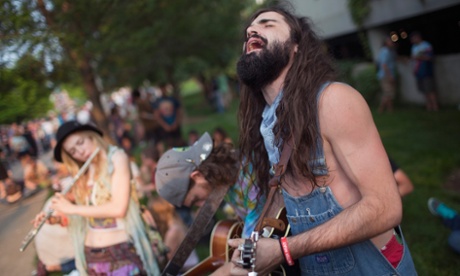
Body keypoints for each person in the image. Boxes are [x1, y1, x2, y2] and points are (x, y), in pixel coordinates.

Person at [233, 5, 417, 275]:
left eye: (268, 23)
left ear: (296, 45)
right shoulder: (269, 125)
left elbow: (385, 208)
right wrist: (255, 245)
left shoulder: (332, 102)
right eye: (249, 29)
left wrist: (284, 250)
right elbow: (294, 197)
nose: (251, 30)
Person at [33, 120, 160, 275]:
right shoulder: (85, 171)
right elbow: (90, 217)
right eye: (73, 151)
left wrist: (71, 208)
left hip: (120, 253)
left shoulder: (116, 158)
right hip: (92, 257)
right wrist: (58, 219)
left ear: (91, 136)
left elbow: (118, 208)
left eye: (80, 143)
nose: (79, 152)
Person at [155, 132, 264, 274]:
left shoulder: (247, 180)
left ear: (198, 176)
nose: (201, 205)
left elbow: (246, 258)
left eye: (196, 199)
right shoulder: (223, 179)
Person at [410, 31, 439, 111]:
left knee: (430, 90)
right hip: (418, 72)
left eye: (413, 38)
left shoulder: (426, 45)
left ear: (418, 37)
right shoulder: (414, 47)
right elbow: (413, 59)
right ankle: (429, 106)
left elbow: (430, 57)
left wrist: (420, 57)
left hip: (426, 71)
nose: (412, 40)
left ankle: (435, 106)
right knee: (424, 91)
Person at [376, 36, 398, 113]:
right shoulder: (385, 51)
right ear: (386, 43)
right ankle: (380, 110)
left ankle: (390, 109)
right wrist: (390, 76)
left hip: (387, 74)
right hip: (385, 75)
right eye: (390, 41)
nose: (392, 43)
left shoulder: (390, 51)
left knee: (389, 93)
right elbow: (384, 65)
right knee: (387, 93)